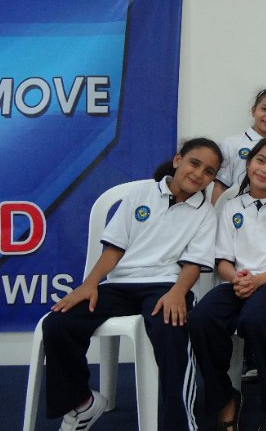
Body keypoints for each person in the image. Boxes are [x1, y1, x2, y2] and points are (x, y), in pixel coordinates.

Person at [42, 137, 222, 431]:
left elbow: (193, 265)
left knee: (171, 331)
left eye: (209, 171)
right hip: (121, 285)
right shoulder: (140, 193)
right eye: (194, 163)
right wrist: (90, 284)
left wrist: (178, 292)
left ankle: (179, 424)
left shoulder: (205, 213)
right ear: (178, 160)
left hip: (166, 285)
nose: (199, 174)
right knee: (58, 323)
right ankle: (83, 404)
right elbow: (114, 249)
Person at [189, 137, 266, 431]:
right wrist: (238, 279)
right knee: (201, 318)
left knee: (257, 319)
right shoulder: (231, 206)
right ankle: (224, 397)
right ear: (248, 163)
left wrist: (258, 280)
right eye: (260, 161)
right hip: (240, 282)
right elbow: (223, 262)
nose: (265, 170)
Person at [212, 87, 266, 204]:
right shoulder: (231, 143)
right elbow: (221, 185)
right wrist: (216, 212)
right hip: (234, 209)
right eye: (264, 109)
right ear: (253, 111)